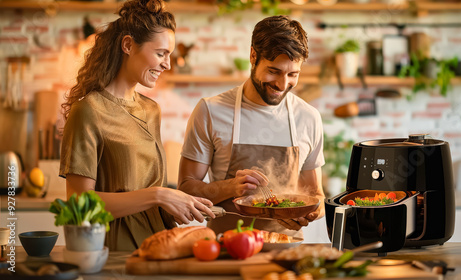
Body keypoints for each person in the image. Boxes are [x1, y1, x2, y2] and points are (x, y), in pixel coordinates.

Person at [59, 0, 214, 251]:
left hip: (159, 247)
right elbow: (79, 202)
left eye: (170, 55)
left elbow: (146, 192)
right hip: (114, 252)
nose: (168, 64)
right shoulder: (88, 111)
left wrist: (176, 204)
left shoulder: (151, 110)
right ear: (128, 45)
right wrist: (160, 195)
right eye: (161, 53)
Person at [178, 15, 325, 237]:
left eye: (293, 74)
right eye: (273, 71)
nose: (282, 85)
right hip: (225, 249)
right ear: (253, 56)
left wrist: (307, 214)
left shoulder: (308, 117)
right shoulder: (211, 111)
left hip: (285, 253)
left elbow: (316, 195)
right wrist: (230, 187)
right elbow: (186, 188)